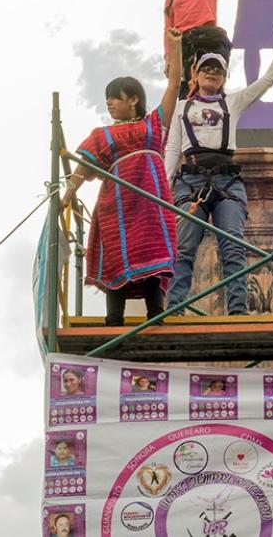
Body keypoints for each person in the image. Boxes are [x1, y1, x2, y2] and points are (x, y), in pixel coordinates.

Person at [163, 25, 273, 316]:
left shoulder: (232, 102)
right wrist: (162, 186)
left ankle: (237, 309)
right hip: (191, 180)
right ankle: (174, 308)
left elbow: (266, 81)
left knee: (232, 246)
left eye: (218, 69)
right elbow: (172, 149)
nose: (212, 72)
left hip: (226, 181)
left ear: (224, 77)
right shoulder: (183, 107)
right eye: (206, 68)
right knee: (185, 247)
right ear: (194, 74)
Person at [62, 29, 184, 326]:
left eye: (114, 99)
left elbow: (174, 84)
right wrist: (67, 194)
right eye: (107, 100)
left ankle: (156, 314)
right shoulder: (101, 135)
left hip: (151, 200)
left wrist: (176, 46)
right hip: (116, 204)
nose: (109, 104)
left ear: (133, 100)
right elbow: (81, 169)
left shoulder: (154, 125)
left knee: (154, 249)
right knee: (116, 252)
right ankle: (113, 319)